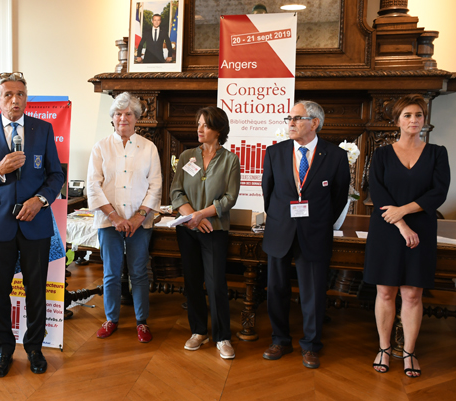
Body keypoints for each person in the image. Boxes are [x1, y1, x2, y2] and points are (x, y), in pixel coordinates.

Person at [0, 72, 64, 378]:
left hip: (36, 222)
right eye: (8, 94)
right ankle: (4, 349)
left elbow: (55, 175)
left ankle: (34, 347)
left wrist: (41, 201)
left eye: (20, 94)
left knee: (36, 290)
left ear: (26, 98)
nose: (15, 99)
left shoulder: (43, 130)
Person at [363, 94, 450, 377]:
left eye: (419, 115)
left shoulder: (438, 153)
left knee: (413, 294)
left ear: (425, 120)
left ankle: (410, 352)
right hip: (387, 229)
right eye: (408, 115)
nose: (414, 120)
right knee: (385, 291)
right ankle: (384, 348)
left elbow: (438, 193)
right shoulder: (382, 154)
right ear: (397, 120)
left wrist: (404, 212)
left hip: (422, 229)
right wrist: (401, 223)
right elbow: (377, 191)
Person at [261, 100, 350, 369]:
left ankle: (311, 345)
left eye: (297, 118)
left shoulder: (334, 155)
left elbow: (339, 196)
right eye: (289, 117)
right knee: (276, 289)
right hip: (280, 230)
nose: (290, 122)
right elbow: (269, 192)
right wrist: (280, 218)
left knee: (312, 292)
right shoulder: (274, 152)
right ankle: (280, 340)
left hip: (315, 232)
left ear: (314, 123)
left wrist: (319, 222)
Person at [86, 92, 162, 343]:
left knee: (139, 272)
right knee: (111, 272)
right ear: (112, 118)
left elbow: (156, 185)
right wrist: (115, 217)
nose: (123, 118)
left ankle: (142, 322)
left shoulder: (148, 147)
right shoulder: (101, 147)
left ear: (136, 118)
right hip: (109, 222)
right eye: (118, 114)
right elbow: (93, 186)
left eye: (128, 113)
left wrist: (139, 217)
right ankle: (111, 319)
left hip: (141, 222)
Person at [170, 106, 240, 360]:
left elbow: (229, 198)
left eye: (206, 125)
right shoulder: (187, 155)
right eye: (198, 124)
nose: (199, 129)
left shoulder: (231, 160)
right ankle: (199, 331)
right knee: (192, 281)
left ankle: (223, 337)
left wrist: (202, 215)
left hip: (215, 229)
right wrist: (193, 216)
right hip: (188, 229)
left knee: (216, 284)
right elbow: (176, 192)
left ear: (219, 129)